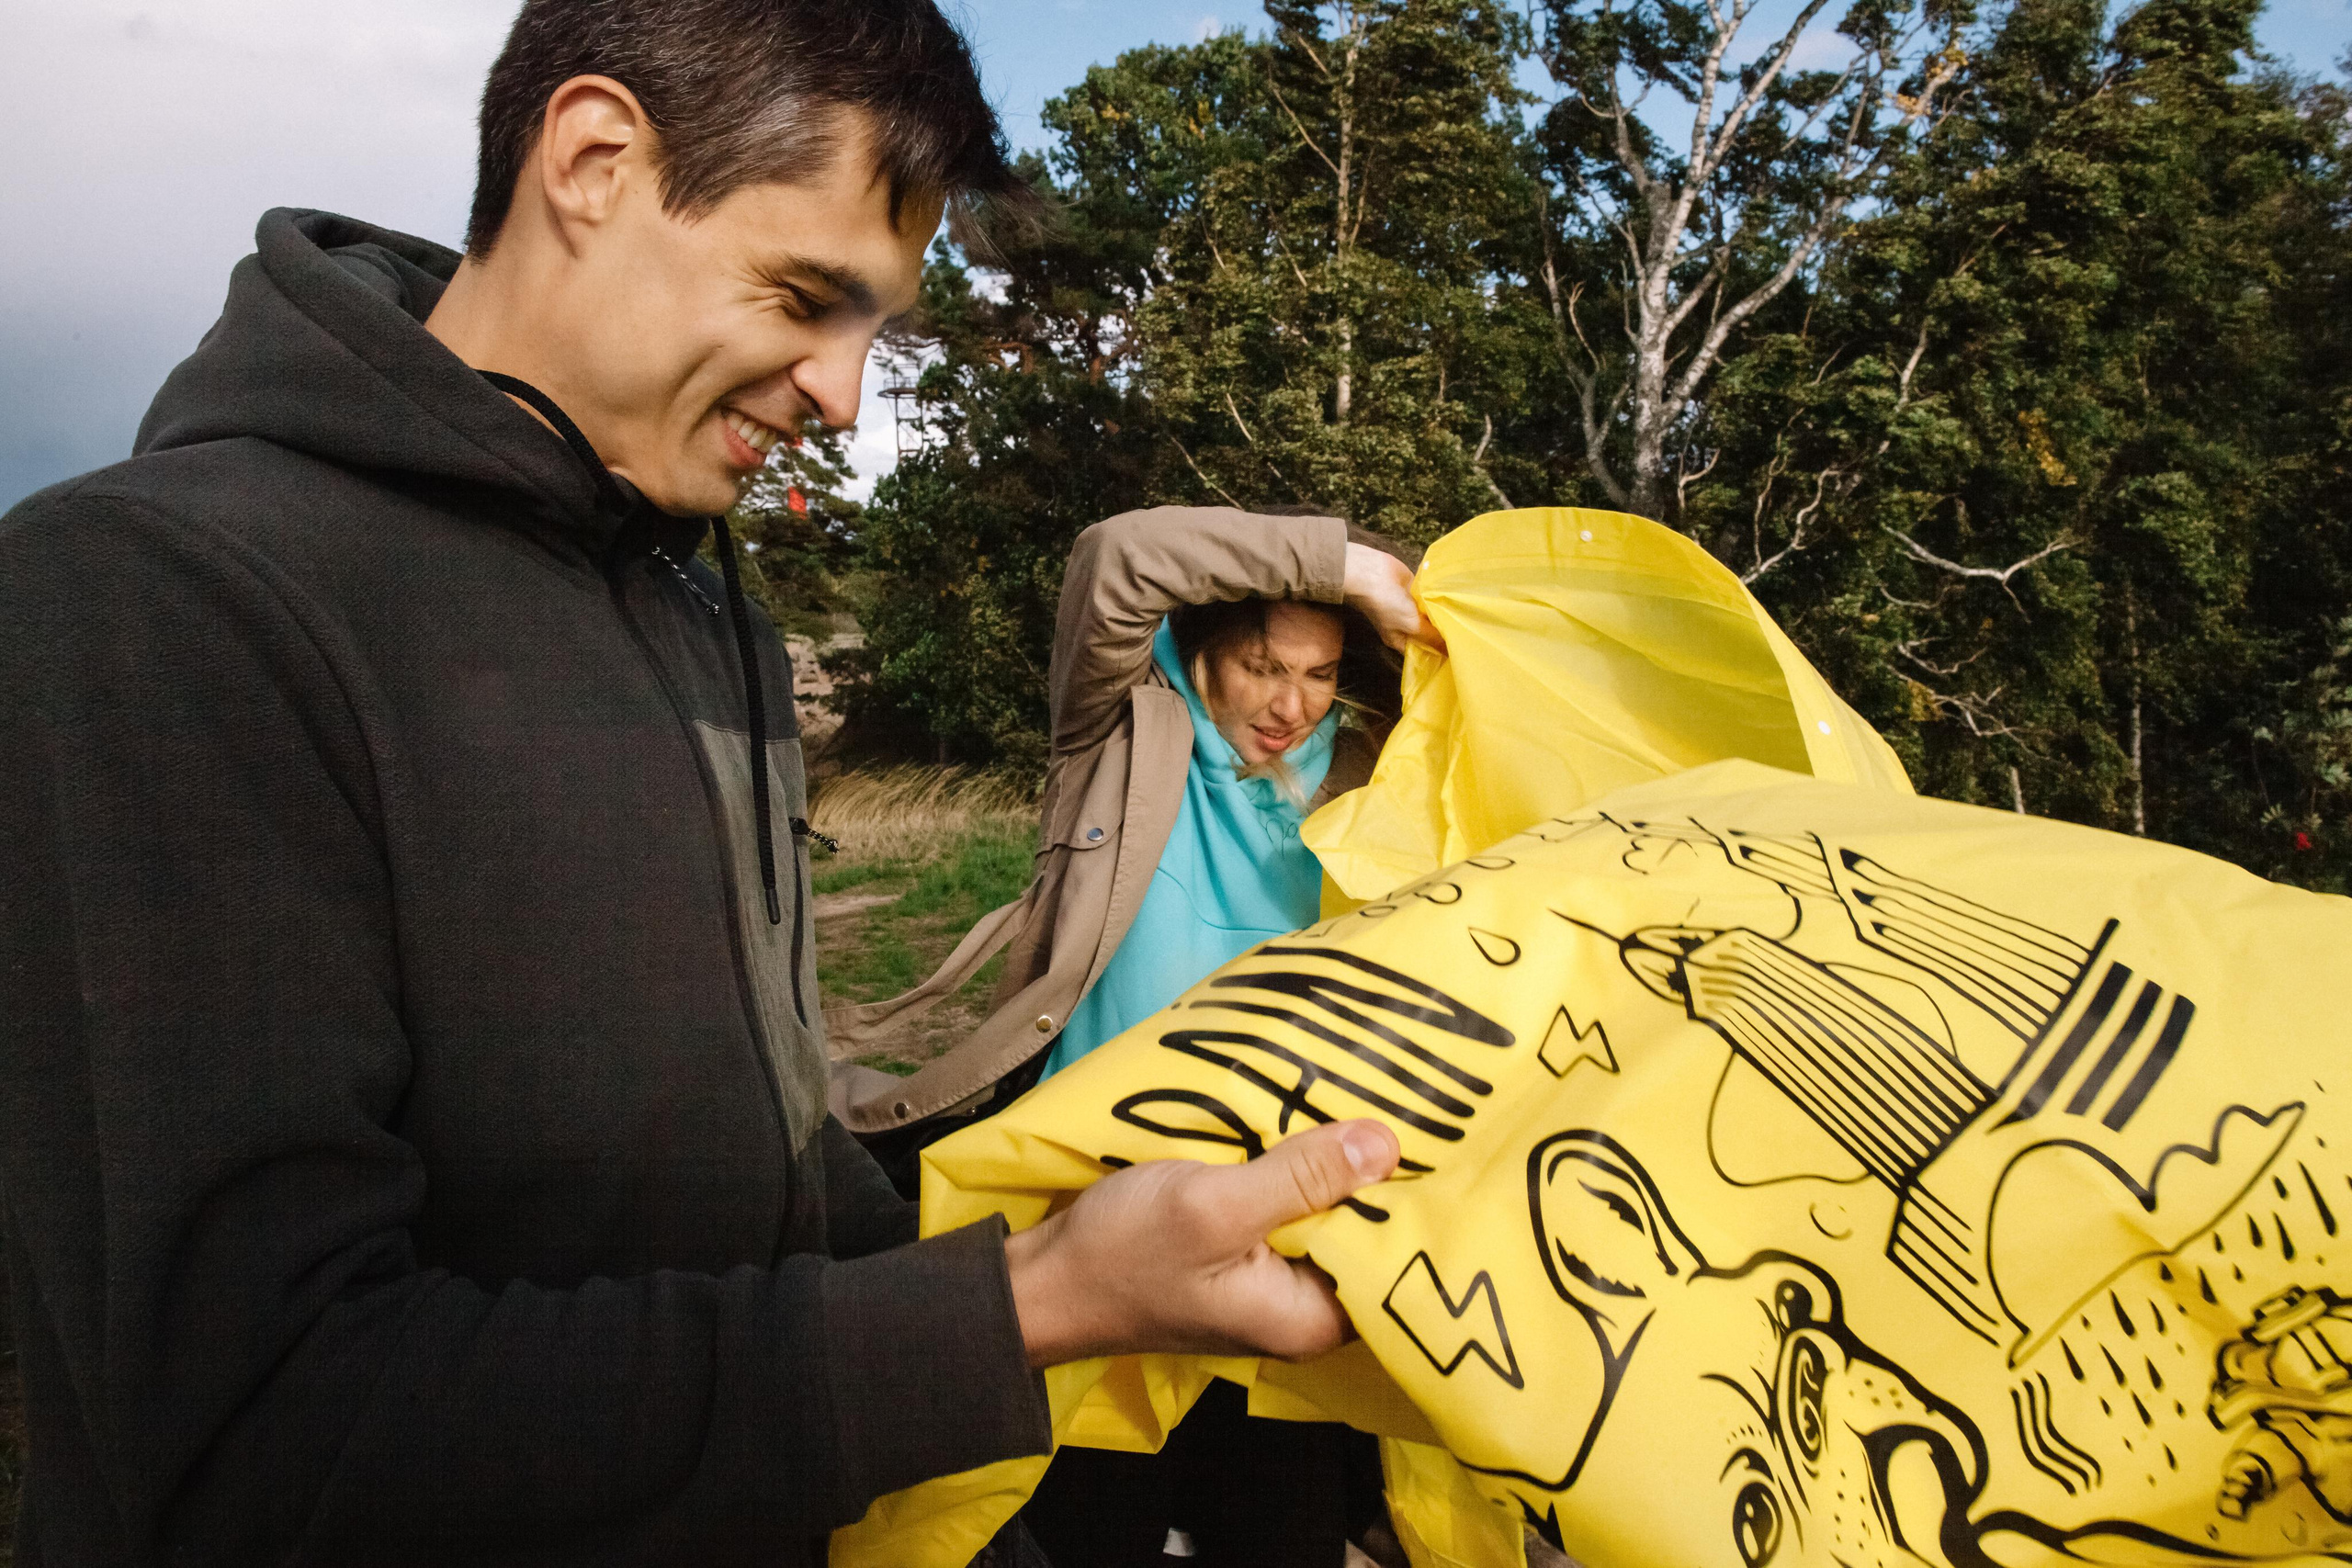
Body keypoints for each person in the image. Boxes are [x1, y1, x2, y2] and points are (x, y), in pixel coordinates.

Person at [0, 5, 1400, 1565]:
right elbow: (247, 1443)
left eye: (880, 333)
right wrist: (1026, 1305)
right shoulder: (152, 597)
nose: (844, 399)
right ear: (593, 159)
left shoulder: (705, 604)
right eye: (808, 297)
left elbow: (775, 1153)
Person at [829, 510, 1442, 1568]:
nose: (1292, 706)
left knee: (1283, 1532)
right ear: (1203, 651)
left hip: (1271, 1221)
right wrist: (1350, 570)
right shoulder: (1116, 729)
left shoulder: (1366, 778)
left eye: (1320, 674)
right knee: (1088, 1529)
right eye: (1262, 666)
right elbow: (1120, 559)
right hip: (1094, 1218)